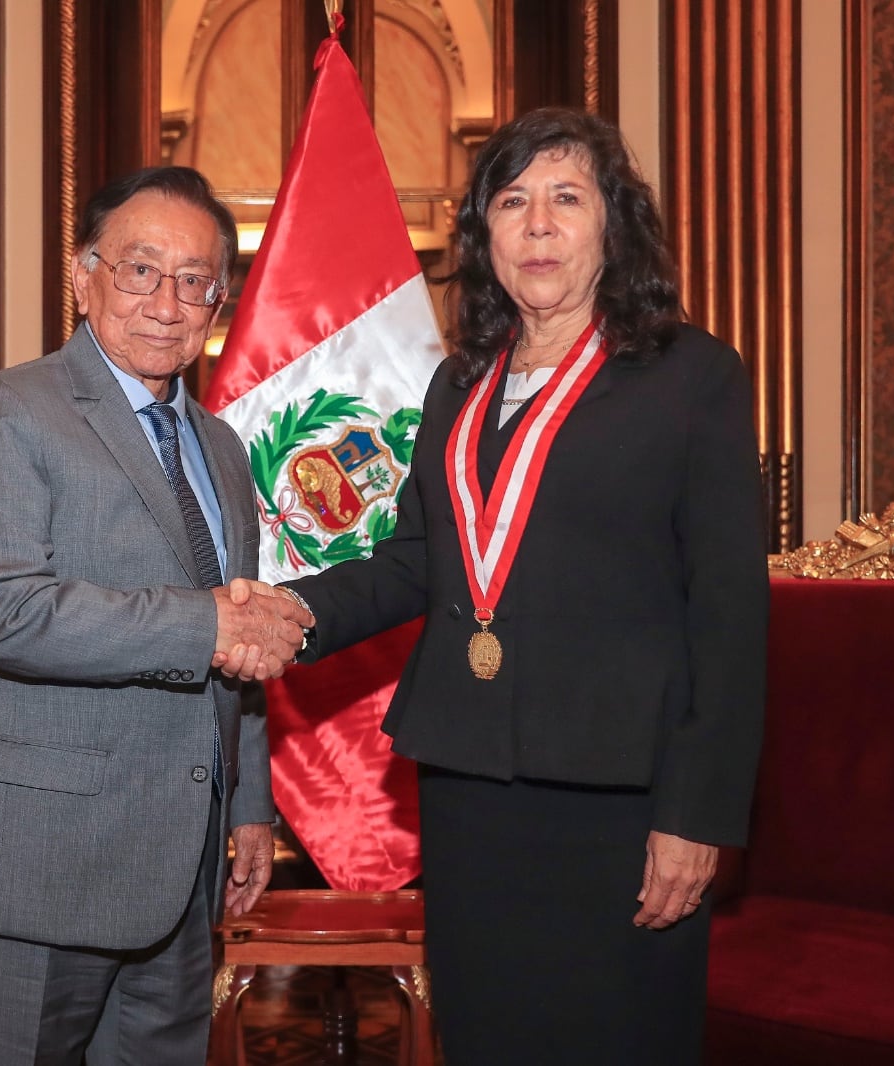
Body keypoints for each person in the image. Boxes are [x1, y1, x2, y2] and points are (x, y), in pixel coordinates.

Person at [222, 107, 769, 1063]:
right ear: (485, 236)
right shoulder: (458, 385)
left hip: (627, 795)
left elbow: (729, 619)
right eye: (513, 202)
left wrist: (698, 817)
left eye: (567, 197)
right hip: (472, 781)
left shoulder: (693, 376)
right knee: (486, 1034)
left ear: (614, 224)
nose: (540, 225)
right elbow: (418, 559)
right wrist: (296, 610)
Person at [0, 165, 314, 1065]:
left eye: (195, 281)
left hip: (181, 867)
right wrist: (204, 626)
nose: (167, 303)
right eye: (140, 270)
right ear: (84, 274)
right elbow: (4, 612)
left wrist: (250, 806)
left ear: (219, 301)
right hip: (38, 859)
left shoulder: (221, 444)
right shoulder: (6, 409)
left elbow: (239, 637)